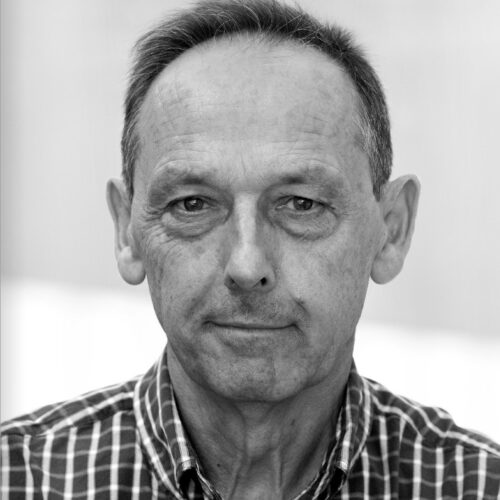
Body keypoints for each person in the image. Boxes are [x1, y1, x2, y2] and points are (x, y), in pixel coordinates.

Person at [1, 0, 499, 498]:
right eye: (192, 203)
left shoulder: (477, 487)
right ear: (126, 230)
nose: (247, 265)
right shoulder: (17, 479)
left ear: (392, 229)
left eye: (302, 204)